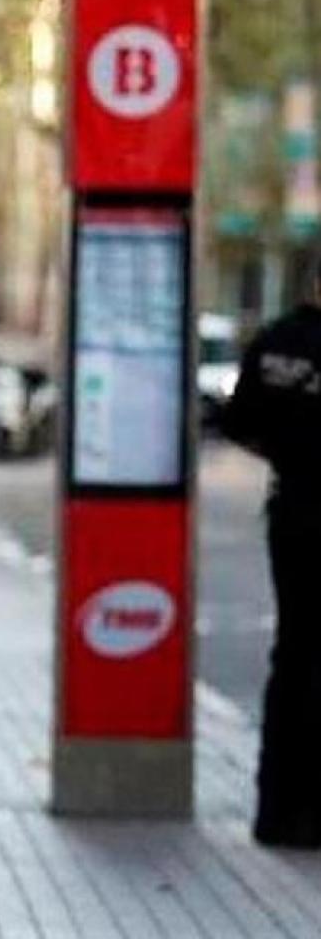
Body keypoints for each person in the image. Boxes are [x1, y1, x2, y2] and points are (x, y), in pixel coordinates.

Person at [223, 277, 321, 850]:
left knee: (293, 654)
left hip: (292, 513)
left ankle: (279, 813)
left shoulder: (276, 340)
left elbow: (239, 424)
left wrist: (290, 455)